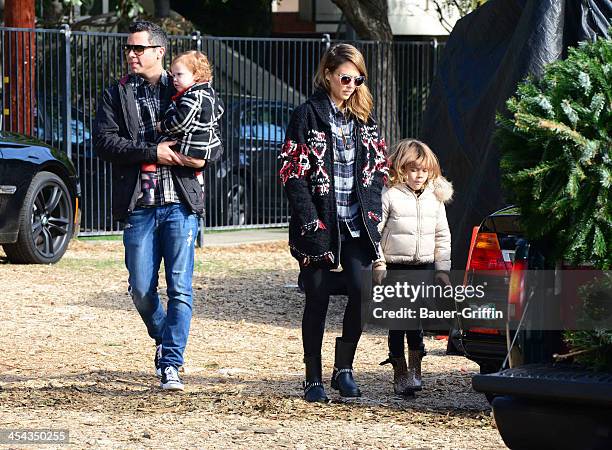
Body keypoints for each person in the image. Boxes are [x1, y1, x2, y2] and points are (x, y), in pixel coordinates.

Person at [94, 21, 207, 391]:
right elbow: (105, 143)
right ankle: (163, 336)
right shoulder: (116, 93)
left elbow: (214, 139)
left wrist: (199, 159)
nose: (131, 54)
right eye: (129, 48)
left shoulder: (186, 87)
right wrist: (152, 152)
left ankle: (171, 362)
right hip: (139, 203)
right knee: (141, 289)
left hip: (180, 203)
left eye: (138, 48)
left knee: (180, 288)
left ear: (159, 51)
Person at [279, 43, 388, 402]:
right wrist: (311, 221)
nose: (351, 85)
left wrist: (372, 213)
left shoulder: (365, 120)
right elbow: (291, 172)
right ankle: (313, 378)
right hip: (319, 225)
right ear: (327, 74)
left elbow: (378, 170)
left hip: (356, 225)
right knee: (318, 296)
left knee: (361, 290)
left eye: (358, 79)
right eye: (345, 77)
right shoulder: (306, 115)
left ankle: (344, 369)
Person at [374, 139, 453, 396]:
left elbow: (442, 235)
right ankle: (399, 369)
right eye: (413, 170)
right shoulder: (390, 196)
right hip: (397, 267)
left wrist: (442, 269)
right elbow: (375, 233)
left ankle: (416, 366)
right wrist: (379, 262)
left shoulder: (435, 199)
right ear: (401, 170)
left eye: (423, 171)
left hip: (424, 267)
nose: (419, 176)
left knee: (416, 320)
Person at [138, 51, 224, 205]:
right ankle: (200, 190)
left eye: (179, 75)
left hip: (190, 143)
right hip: (206, 145)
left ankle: (148, 191)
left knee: (152, 150)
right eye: (173, 75)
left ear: (196, 76)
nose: (174, 80)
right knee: (196, 169)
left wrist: (162, 126)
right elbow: (220, 110)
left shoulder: (192, 96)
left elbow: (181, 122)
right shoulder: (211, 93)